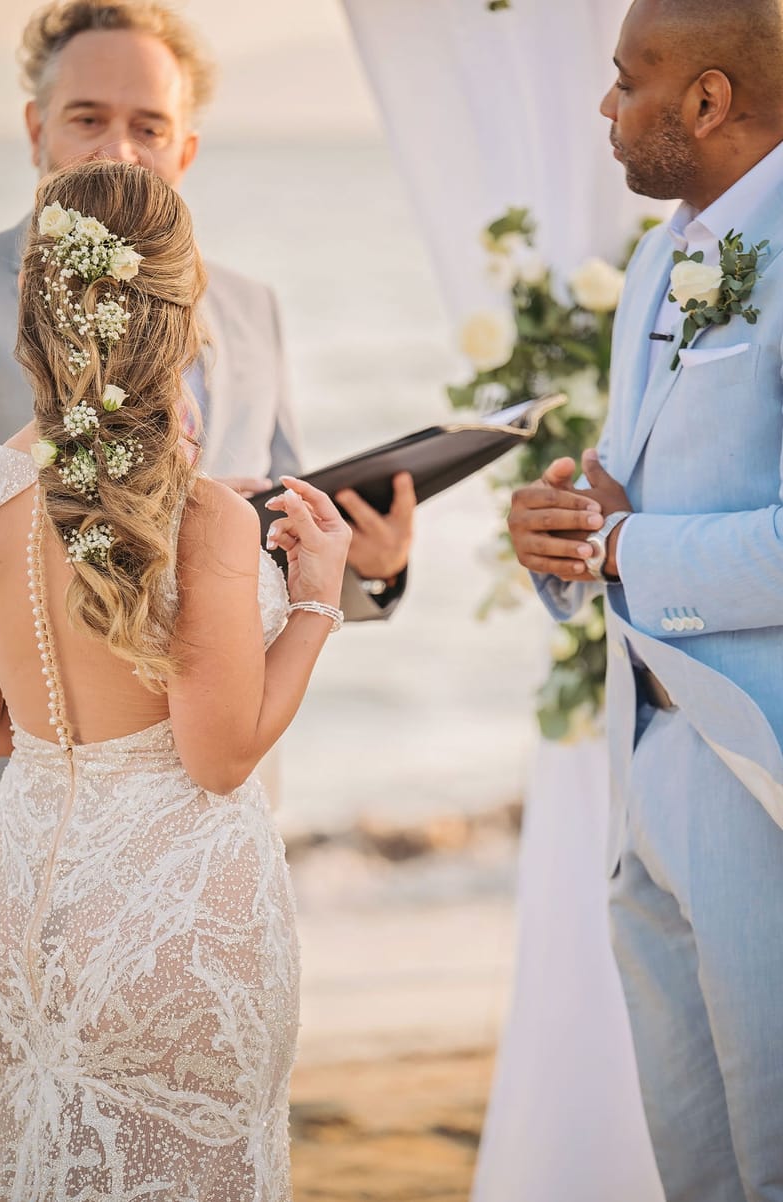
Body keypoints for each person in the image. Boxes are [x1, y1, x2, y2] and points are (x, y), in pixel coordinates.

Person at [0, 155, 350, 1197]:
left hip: (16, 895)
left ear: (38, 311)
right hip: (173, 913)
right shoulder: (203, 519)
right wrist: (314, 595)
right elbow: (221, 753)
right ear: (180, 312)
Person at [0, 0, 416, 796]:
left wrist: (367, 567)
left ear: (184, 148)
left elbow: (282, 507)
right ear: (36, 126)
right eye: (87, 117)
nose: (118, 148)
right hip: (31, 782)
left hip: (221, 789)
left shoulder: (251, 309)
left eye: (149, 126)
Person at [508, 0, 783, 1196]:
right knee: (697, 1169)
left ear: (707, 101)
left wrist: (621, 547)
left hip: (758, 775)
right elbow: (622, 495)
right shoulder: (653, 259)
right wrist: (557, 535)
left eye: (628, 81)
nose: (605, 107)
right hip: (644, 762)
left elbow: (647, 540)